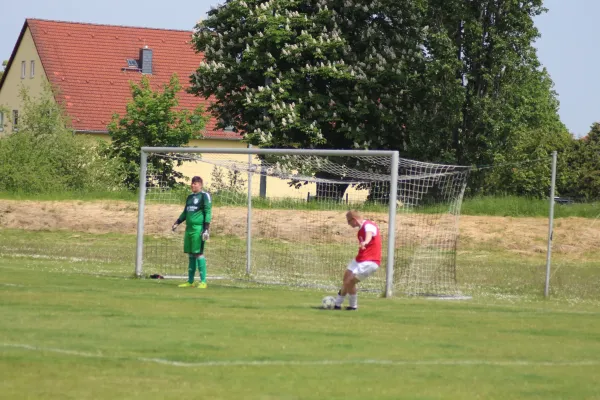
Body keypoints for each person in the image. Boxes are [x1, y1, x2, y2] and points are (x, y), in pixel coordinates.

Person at [333, 210, 381, 310]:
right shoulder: (360, 229)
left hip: (370, 261)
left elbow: (369, 234)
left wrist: (366, 242)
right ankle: (337, 305)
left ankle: (353, 306)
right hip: (360, 259)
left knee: (350, 282)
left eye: (348, 221)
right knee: (346, 279)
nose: (348, 223)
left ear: (354, 220)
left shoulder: (369, 225)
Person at [172, 176, 212, 289]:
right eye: (192, 183)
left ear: (200, 184)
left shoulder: (205, 196)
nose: (192, 185)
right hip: (189, 228)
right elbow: (185, 212)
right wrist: (177, 222)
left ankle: (203, 282)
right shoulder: (189, 197)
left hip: (198, 229)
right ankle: (190, 281)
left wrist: (206, 228)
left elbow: (208, 212)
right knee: (190, 253)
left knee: (198, 253)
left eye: (195, 183)